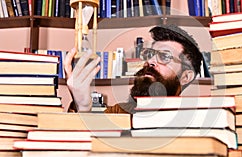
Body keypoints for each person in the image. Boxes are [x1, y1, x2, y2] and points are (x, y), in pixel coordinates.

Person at [64, 24, 203, 114]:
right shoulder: (118, 112)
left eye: (164, 56)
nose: (150, 62)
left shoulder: (195, 119)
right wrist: (82, 107)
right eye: (150, 54)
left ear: (185, 77)